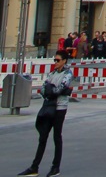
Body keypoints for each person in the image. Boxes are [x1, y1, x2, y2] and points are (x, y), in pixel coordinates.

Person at [18, 48, 74, 177]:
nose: (55, 62)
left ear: (64, 61)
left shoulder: (68, 74)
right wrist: (53, 90)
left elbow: (60, 88)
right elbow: (44, 89)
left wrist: (52, 90)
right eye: (54, 60)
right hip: (49, 107)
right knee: (42, 137)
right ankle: (34, 167)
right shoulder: (52, 74)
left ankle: (56, 167)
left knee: (56, 136)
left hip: (60, 108)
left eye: (58, 60)